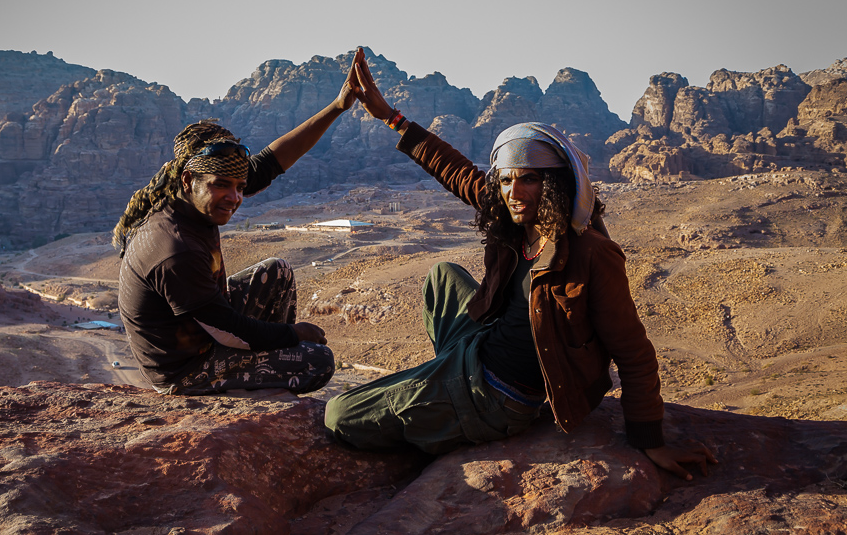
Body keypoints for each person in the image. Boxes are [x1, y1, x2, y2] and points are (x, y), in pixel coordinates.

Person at [325, 48, 716, 481]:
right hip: (481, 346)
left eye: (529, 178)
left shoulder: (591, 254)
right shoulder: (516, 219)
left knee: (340, 415)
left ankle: (450, 397)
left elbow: (635, 355)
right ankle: (444, 375)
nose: (514, 191)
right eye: (507, 179)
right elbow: (454, 170)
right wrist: (390, 117)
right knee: (444, 277)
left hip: (499, 393)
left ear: (554, 184)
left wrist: (650, 441)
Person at [113, 50, 363, 396]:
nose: (234, 197)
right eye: (222, 185)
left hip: (203, 332)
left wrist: (337, 106)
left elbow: (273, 160)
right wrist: (294, 335)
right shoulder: (174, 249)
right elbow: (229, 329)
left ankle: (265, 369)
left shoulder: (189, 200)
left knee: (277, 273)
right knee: (317, 361)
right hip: (185, 370)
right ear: (189, 180)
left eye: (240, 187)